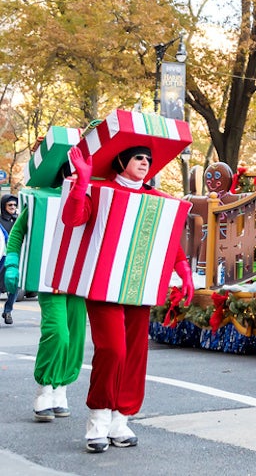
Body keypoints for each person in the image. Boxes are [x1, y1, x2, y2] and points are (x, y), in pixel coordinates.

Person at [62, 142, 194, 453]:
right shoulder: (101, 191)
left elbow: (169, 239)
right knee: (112, 349)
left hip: (139, 283)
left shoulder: (156, 199)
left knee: (135, 352)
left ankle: (121, 418)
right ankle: (98, 418)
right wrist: (82, 181)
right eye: (139, 157)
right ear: (122, 160)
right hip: (102, 283)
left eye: (149, 159)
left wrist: (183, 268)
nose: (146, 162)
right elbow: (72, 219)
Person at [3, 164, 88, 421]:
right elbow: (17, 233)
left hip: (79, 279)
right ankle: (44, 388)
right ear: (62, 173)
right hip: (48, 278)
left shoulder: (94, 198)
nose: (76, 175)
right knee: (57, 333)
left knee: (75, 337)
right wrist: (12, 263)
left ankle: (60, 389)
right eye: (71, 171)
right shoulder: (41, 200)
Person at [1, 193, 18, 323]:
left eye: (14, 205)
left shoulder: (19, 220)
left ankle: (8, 311)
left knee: (14, 285)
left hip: (15, 258)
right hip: (2, 258)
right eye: (10, 204)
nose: (13, 207)